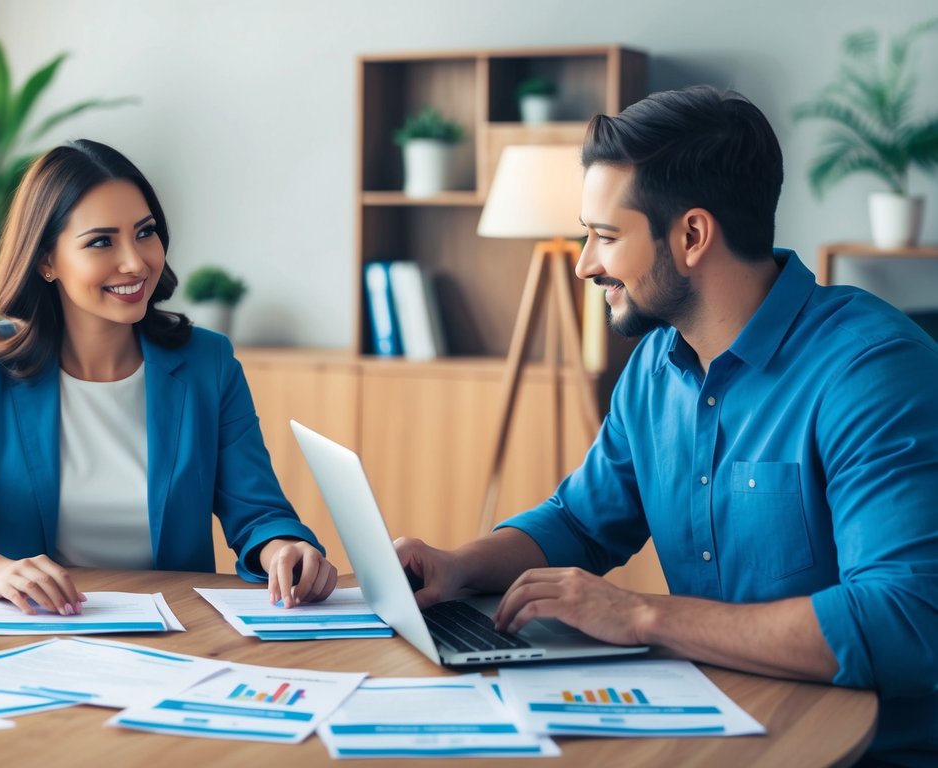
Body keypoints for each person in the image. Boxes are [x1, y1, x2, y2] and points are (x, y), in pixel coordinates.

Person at [395, 86, 937, 765]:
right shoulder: (655, 363)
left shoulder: (871, 370)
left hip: (856, 750)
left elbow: (907, 624)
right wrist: (457, 565)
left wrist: (642, 615)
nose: (585, 264)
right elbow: (581, 522)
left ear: (690, 236)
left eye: (604, 237)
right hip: (712, 727)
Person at [0, 139, 338, 616]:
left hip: (180, 635)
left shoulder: (208, 363)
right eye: (101, 242)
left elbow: (259, 512)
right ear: (46, 262)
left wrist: (283, 547)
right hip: (33, 629)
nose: (136, 262)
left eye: (145, 233)